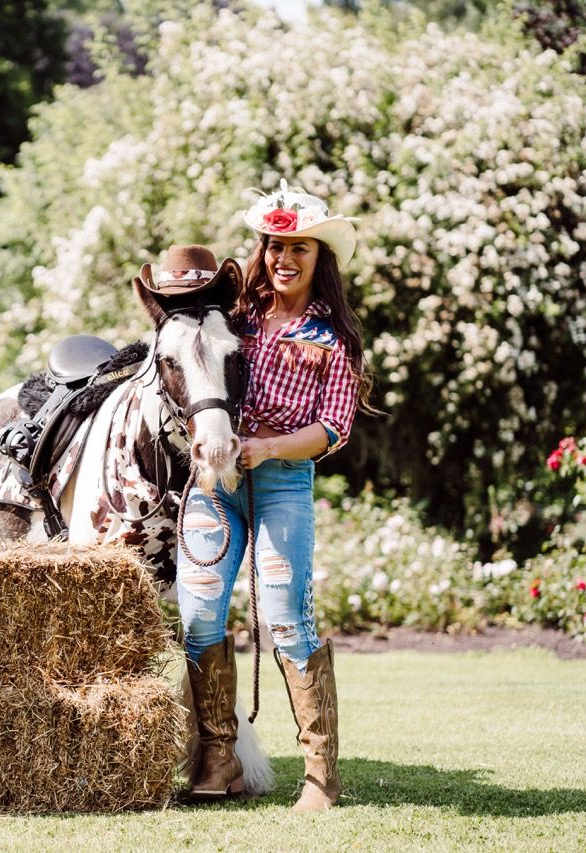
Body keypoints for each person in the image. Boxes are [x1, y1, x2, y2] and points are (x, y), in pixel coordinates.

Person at [175, 181, 373, 810]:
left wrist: (270, 447)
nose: (285, 259)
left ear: (321, 259)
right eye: (275, 246)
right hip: (215, 484)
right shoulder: (234, 321)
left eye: (300, 249)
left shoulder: (332, 337)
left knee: (286, 617)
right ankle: (218, 757)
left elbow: (334, 428)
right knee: (199, 614)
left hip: (282, 484)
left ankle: (320, 773)